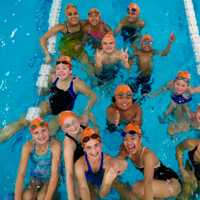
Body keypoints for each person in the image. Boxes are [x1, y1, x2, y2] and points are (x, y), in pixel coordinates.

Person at [0, 55, 97, 143]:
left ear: (70, 70)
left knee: (47, 134)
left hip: (61, 114)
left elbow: (93, 96)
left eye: (64, 68)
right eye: (58, 68)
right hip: (47, 106)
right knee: (23, 121)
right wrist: (44, 81)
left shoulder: (77, 83)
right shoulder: (54, 77)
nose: (61, 71)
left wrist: (86, 111)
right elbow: (42, 93)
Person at [119, 123, 181, 199]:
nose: (129, 143)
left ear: (140, 139)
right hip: (156, 182)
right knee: (129, 193)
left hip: (171, 183)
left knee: (135, 189)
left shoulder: (148, 156)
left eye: (132, 138)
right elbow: (117, 162)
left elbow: (148, 184)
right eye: (125, 139)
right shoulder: (124, 149)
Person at [75, 127, 130, 200]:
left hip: (107, 180)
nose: (94, 151)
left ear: (101, 144)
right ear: (84, 148)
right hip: (89, 183)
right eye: (89, 147)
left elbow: (104, 193)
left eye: (96, 145)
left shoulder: (107, 160)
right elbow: (83, 187)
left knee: (127, 194)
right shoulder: (80, 164)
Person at [15, 117, 61, 200]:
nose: (41, 135)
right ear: (32, 136)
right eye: (36, 133)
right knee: (27, 196)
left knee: (42, 197)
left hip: (51, 178)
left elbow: (54, 175)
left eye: (43, 130)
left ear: (48, 131)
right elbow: (21, 175)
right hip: (35, 177)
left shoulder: (55, 146)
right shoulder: (28, 147)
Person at [150, 71, 200, 135]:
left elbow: (171, 130)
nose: (179, 88)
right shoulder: (171, 85)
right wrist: (152, 95)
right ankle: (164, 118)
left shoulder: (187, 93)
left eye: (183, 85)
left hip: (181, 114)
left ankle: (165, 118)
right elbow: (160, 90)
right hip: (177, 107)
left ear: (187, 86)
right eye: (177, 84)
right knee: (172, 107)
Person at [58, 111, 90, 200]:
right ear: (64, 130)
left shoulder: (84, 125)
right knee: (78, 195)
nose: (72, 126)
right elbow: (69, 174)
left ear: (78, 120)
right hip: (73, 167)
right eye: (67, 126)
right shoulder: (69, 144)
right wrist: (71, 197)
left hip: (87, 162)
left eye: (73, 122)